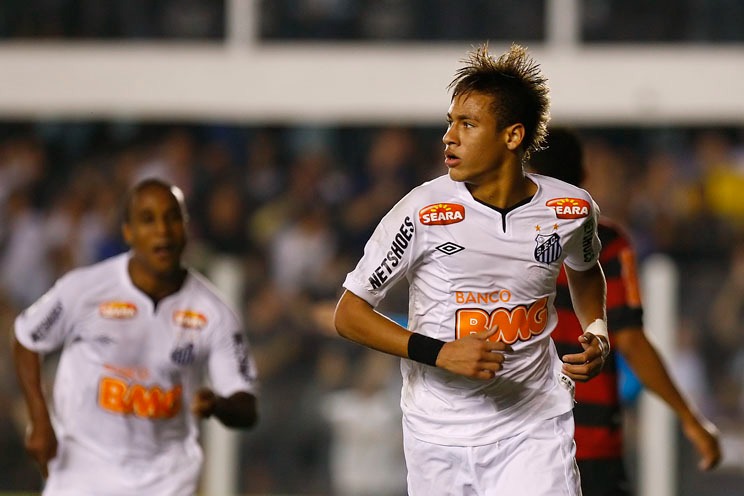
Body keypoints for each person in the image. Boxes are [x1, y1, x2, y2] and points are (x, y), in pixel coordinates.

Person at [334, 43, 609, 496]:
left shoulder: (571, 208)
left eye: (468, 124)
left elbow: (584, 268)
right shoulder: (422, 211)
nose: (449, 137)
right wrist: (439, 353)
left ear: (512, 136)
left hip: (534, 426)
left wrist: (596, 329)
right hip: (437, 436)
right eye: (450, 123)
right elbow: (349, 313)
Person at [12, 178, 259, 496]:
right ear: (128, 232)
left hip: (167, 478)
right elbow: (26, 338)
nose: (162, 230)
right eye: (148, 219)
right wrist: (39, 420)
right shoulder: (85, 289)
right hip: (83, 470)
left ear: (185, 227)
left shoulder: (213, 313)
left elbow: (246, 408)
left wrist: (218, 405)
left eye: (172, 218)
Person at [527, 127, 721, 495]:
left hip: (519, 439)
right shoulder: (609, 242)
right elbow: (630, 340)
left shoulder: (497, 240)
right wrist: (690, 418)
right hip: (590, 440)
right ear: (581, 178)